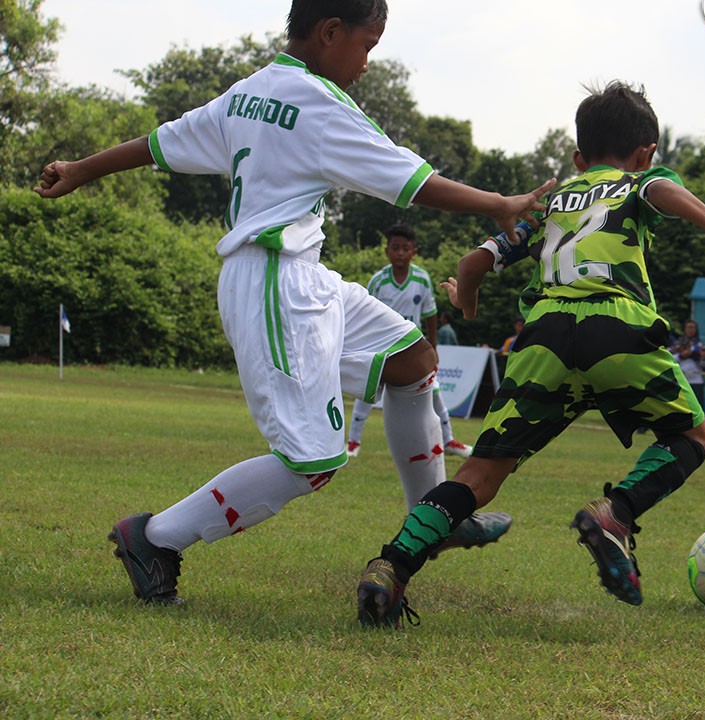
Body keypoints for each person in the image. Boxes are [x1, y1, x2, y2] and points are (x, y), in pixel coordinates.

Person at [34, 0, 555, 605]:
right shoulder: (320, 105)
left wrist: (81, 168)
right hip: (275, 286)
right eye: (367, 46)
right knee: (312, 463)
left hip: (303, 277)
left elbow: (157, 144)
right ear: (331, 32)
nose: (366, 63)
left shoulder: (248, 94)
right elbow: (412, 182)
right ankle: (154, 538)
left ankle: (435, 516)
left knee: (413, 360)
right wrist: (499, 203)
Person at [354, 80, 705, 627]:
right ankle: (616, 513)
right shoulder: (639, 181)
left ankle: (390, 567)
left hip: (544, 336)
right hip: (615, 326)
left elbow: (470, 264)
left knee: (480, 474)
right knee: (691, 436)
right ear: (646, 154)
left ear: (578, 159)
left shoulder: (548, 206)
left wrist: (466, 301)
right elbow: (660, 192)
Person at [346, 224, 473, 460]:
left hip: (412, 348)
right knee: (366, 392)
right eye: (395, 248)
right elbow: (365, 314)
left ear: (414, 251)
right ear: (387, 251)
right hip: (381, 347)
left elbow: (430, 315)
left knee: (434, 392)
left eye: (406, 248)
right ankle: (353, 442)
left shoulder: (422, 279)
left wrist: (433, 348)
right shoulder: (378, 281)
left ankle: (449, 440)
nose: (400, 253)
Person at [670, 320, 705, 410]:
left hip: (696, 380)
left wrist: (703, 357)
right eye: (689, 327)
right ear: (685, 329)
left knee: (698, 407)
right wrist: (682, 355)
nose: (691, 330)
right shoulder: (678, 344)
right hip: (681, 379)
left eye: (693, 328)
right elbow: (670, 359)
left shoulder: (700, 345)